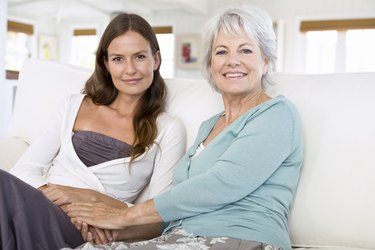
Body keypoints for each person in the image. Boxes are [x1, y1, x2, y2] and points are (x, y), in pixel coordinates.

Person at [66, 5, 304, 250]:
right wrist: (113, 234)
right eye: (221, 52)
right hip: (181, 238)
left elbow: (219, 185)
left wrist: (122, 217)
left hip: (241, 237)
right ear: (211, 64)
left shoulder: (277, 114)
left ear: (265, 61)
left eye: (245, 50)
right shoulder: (210, 126)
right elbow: (178, 208)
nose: (232, 61)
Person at [0, 12, 186, 250]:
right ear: (106, 64)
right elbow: (25, 168)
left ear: (156, 60)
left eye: (139, 57)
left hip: (88, 227)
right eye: (118, 59)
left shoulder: (168, 129)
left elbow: (158, 215)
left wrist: (90, 200)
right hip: (40, 206)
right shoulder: (73, 105)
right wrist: (55, 194)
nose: (130, 69)